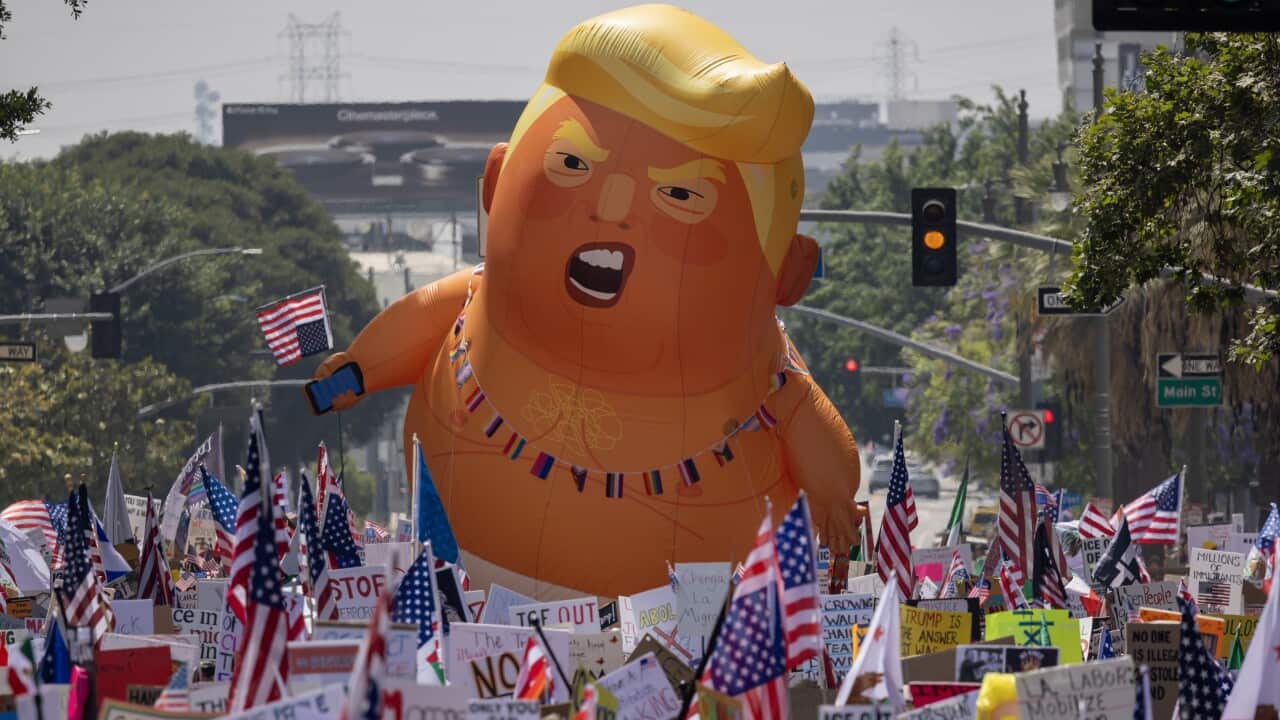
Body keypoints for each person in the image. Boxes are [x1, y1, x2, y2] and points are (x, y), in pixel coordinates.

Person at [310, 4, 863, 598]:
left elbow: (830, 464)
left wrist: (834, 502)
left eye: (680, 194)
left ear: (786, 274)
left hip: (685, 617)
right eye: (572, 163)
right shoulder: (476, 295)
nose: (616, 207)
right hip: (467, 578)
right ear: (497, 180)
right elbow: (419, 320)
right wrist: (360, 367)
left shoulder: (773, 384)